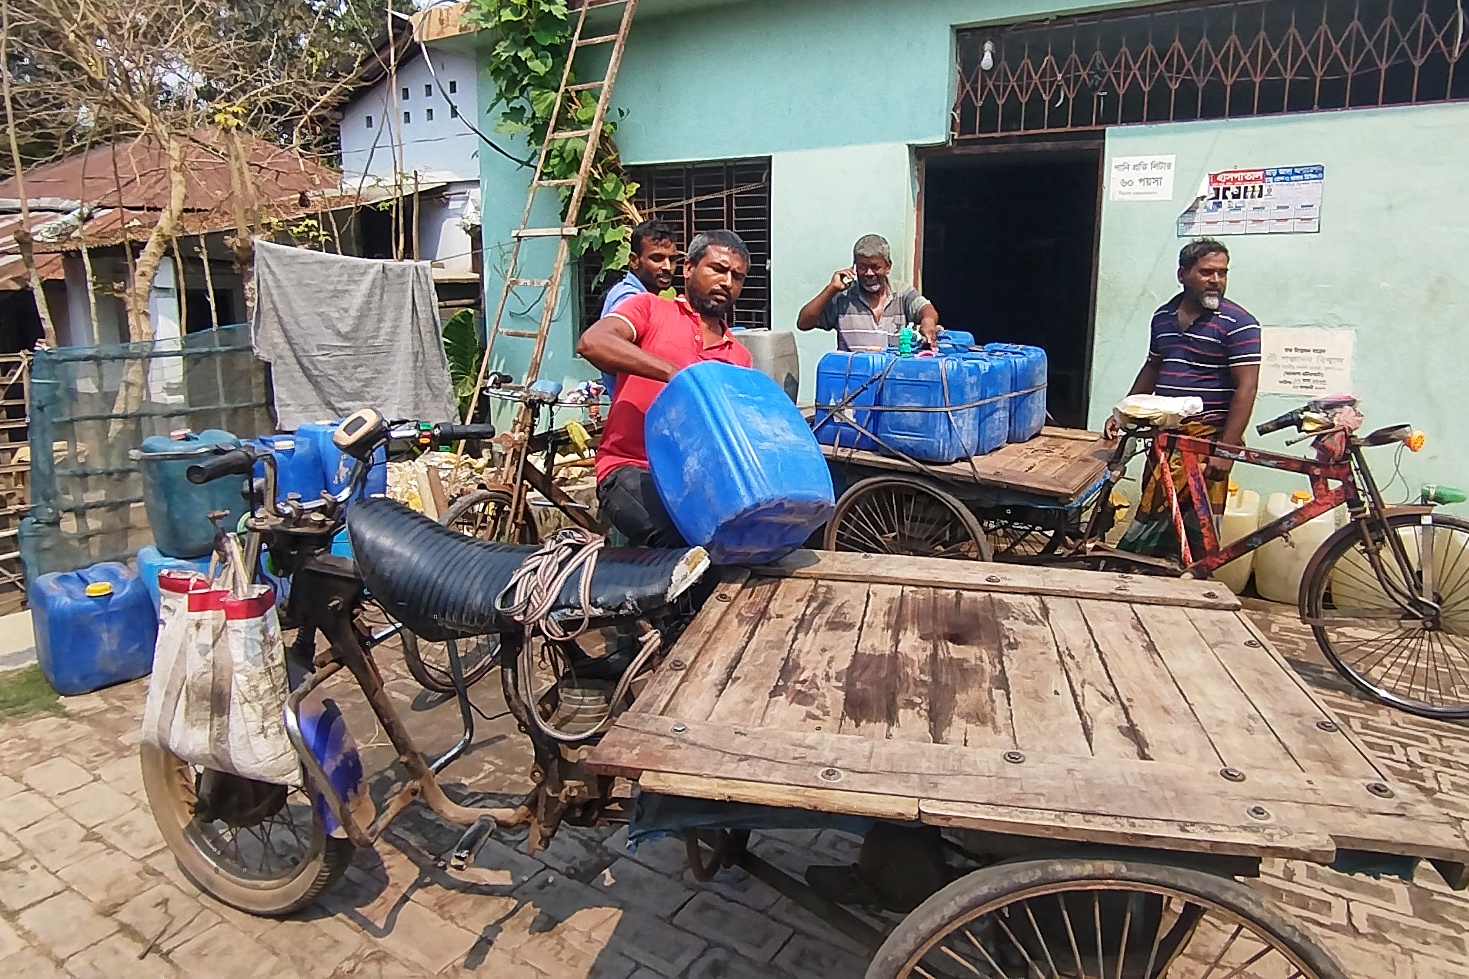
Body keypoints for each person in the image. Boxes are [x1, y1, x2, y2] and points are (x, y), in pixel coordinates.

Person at [577, 229, 754, 548]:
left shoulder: (739, 357)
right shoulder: (650, 309)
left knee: (739, 543)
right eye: (717, 269)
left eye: (737, 276)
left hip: (694, 484)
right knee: (681, 543)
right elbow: (593, 342)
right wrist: (678, 375)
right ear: (688, 268)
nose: (727, 282)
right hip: (630, 467)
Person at [1107, 238, 1261, 557]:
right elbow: (1153, 366)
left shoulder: (1240, 323)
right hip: (1167, 438)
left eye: (1222, 273)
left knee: (1195, 526)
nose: (1216, 280)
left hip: (1208, 440)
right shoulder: (1162, 317)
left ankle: (1181, 580)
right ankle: (1145, 573)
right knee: (1155, 510)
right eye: (1206, 272)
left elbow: (1247, 387)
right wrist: (1123, 412)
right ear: (1183, 274)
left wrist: (1227, 450)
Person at [796, 234, 940, 350]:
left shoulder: (902, 293)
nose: (869, 273)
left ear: (888, 267)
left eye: (875, 267)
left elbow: (926, 309)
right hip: (854, 379)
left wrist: (928, 321)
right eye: (862, 267)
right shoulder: (843, 298)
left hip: (891, 378)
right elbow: (803, 323)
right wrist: (831, 289)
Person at [596, 219, 680, 398]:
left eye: (672, 259)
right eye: (657, 258)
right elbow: (605, 346)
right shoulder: (630, 297)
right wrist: (671, 372)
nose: (667, 267)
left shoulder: (643, 295)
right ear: (634, 261)